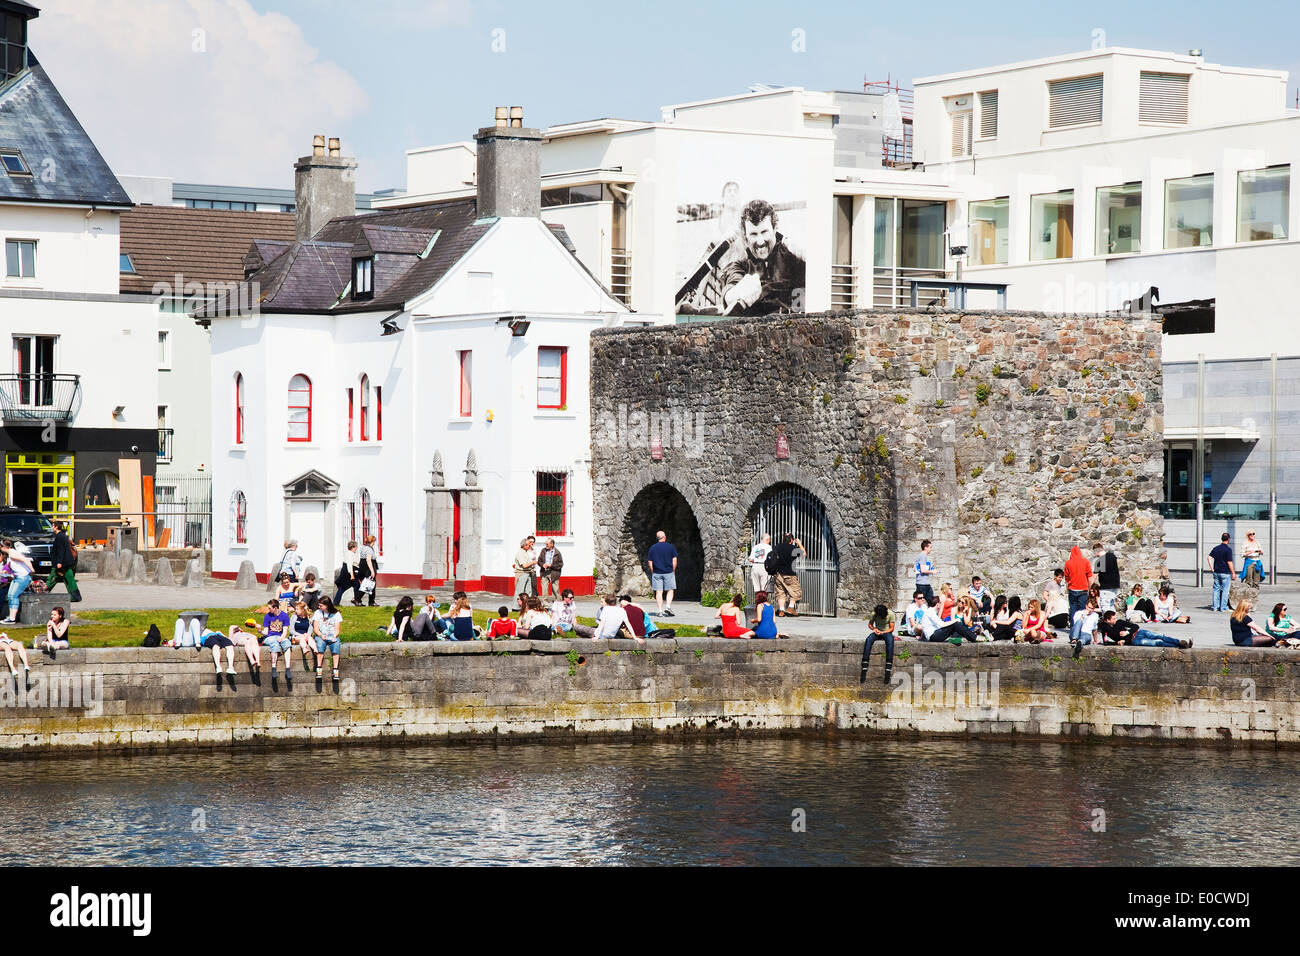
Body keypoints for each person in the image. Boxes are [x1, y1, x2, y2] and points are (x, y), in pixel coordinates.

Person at [719, 199, 806, 316]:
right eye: (753, 234)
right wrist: (737, 293)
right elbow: (729, 291)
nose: (760, 241)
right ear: (745, 237)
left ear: (775, 229)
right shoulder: (740, 264)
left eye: (764, 232)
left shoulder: (792, 255)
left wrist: (809, 255)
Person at [1097, 610, 1191, 649]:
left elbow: (1135, 626)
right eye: (1113, 618)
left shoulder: (1120, 622)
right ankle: (1179, 647)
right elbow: (1105, 642)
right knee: (1157, 642)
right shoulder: (1106, 630)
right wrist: (1117, 643)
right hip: (1135, 640)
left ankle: (1179, 642)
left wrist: (1127, 632)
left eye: (1115, 617)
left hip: (1139, 632)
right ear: (1107, 620)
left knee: (1160, 636)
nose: (1115, 619)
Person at [45, 521, 81, 602]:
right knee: (69, 579)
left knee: (52, 578)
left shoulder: (59, 537)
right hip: (66, 563)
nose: (52, 527)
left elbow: (61, 550)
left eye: (53, 526)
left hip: (61, 564)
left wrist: (59, 562)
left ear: (56, 527)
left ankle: (43, 593)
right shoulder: (63, 536)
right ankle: (75, 596)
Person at [645, 531, 679, 617]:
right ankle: (668, 607)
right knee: (670, 590)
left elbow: (650, 561)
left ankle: (660, 611)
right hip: (668, 571)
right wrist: (673, 570)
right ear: (665, 537)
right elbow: (674, 559)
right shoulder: (670, 547)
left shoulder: (652, 548)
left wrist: (653, 571)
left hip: (657, 572)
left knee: (658, 592)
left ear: (657, 538)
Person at [771, 532, 804, 618]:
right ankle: (790, 608)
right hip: (789, 574)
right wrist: (799, 544)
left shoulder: (777, 547)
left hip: (778, 574)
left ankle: (781, 610)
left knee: (780, 593)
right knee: (796, 592)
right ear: (792, 540)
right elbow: (803, 554)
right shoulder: (793, 548)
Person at [862, 603, 896, 684]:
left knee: (890, 641)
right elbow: (870, 624)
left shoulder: (891, 614)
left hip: (886, 632)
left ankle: (889, 663)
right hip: (877, 631)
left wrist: (883, 632)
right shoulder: (874, 614)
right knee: (869, 639)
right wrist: (874, 629)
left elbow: (892, 628)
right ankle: (865, 661)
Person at [261, 601, 296, 681]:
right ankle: (274, 668)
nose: (268, 609)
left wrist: (282, 637)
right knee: (274, 643)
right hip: (270, 637)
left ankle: (287, 669)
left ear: (275, 608)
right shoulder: (267, 616)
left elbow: (285, 631)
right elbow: (266, 632)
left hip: (280, 635)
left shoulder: (284, 616)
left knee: (287, 643)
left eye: (270, 608)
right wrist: (260, 631)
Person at [1, 541, 33, 625]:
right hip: (17, 577)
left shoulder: (13, 553)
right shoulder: (10, 555)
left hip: (23, 577)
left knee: (14, 595)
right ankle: (11, 617)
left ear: (3, 547)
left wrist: (32, 570)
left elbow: (25, 560)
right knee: (10, 595)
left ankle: (12, 618)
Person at [312, 596, 344, 680]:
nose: (319, 607)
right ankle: (319, 668)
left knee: (336, 645)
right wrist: (321, 635)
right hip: (321, 635)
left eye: (321, 605)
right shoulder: (317, 613)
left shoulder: (336, 614)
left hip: (331, 635)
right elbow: (315, 629)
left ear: (327, 605)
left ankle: (335, 669)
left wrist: (334, 636)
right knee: (320, 645)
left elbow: (337, 630)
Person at [1207, 533, 1235, 612]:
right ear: (1228, 539)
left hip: (1216, 572)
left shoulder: (1216, 548)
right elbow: (1229, 562)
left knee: (1216, 589)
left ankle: (1215, 607)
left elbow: (1209, 557)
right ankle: (1223, 607)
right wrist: (1233, 573)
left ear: (1221, 538)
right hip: (1225, 572)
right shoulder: (1228, 549)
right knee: (1225, 590)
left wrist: (1212, 568)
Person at [1063, 545, 1093, 621]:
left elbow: (1067, 577)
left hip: (1072, 589)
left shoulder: (1068, 563)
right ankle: (1081, 627)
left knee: (1073, 609)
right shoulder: (1085, 561)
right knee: (1082, 610)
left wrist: (1068, 588)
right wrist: (1090, 588)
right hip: (1083, 589)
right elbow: (1089, 576)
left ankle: (1073, 628)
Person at [288, 601, 316, 672]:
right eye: (296, 609)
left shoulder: (309, 618)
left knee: (310, 638)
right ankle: (304, 648)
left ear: (303, 609)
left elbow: (310, 628)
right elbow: (291, 630)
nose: (296, 610)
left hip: (306, 635)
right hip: (296, 636)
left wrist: (307, 635)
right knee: (302, 639)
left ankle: (315, 649)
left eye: (297, 609)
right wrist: (301, 635)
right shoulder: (294, 617)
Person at [1093, 542, 1120, 612]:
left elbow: (1094, 576)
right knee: (1111, 606)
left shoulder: (1099, 562)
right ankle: (1113, 621)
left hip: (1105, 587)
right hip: (1115, 586)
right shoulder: (1112, 556)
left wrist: (1089, 586)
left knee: (1105, 607)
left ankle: (1107, 622)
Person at [334, 540, 361, 607]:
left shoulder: (350, 553)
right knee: (356, 585)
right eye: (356, 547)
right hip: (348, 572)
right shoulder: (350, 554)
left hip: (348, 571)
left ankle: (336, 602)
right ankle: (356, 600)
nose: (356, 548)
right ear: (353, 547)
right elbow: (349, 564)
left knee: (344, 587)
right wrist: (351, 574)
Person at [358, 535, 380, 607]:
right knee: (369, 585)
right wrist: (372, 571)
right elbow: (368, 560)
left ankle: (370, 601)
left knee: (369, 585)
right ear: (372, 541)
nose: (374, 543)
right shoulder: (369, 549)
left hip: (364, 568)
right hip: (368, 569)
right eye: (374, 541)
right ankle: (357, 599)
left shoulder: (363, 547)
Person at [914, 539, 935, 604]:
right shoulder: (923, 556)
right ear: (925, 547)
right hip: (922, 584)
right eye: (930, 547)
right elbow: (923, 570)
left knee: (931, 601)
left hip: (924, 583)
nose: (931, 549)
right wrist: (932, 571)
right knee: (917, 602)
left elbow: (914, 568)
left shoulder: (921, 556)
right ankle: (907, 613)